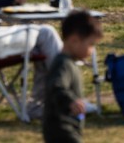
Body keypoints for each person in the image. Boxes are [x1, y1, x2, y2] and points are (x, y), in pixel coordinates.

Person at [43, 10, 103, 143]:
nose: (92, 50)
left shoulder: (70, 63)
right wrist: (70, 101)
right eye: (90, 44)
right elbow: (56, 85)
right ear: (74, 40)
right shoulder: (63, 64)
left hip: (69, 128)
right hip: (62, 130)